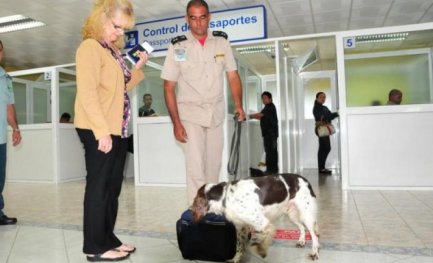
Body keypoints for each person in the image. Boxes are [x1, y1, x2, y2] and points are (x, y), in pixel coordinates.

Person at [74, 0, 147, 261]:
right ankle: (94, 247)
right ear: (101, 20)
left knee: (112, 188)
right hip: (97, 128)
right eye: (117, 26)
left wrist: (136, 70)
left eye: (123, 28)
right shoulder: (90, 48)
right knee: (99, 187)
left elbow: (118, 90)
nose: (120, 33)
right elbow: (88, 93)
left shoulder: (111, 51)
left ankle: (108, 238)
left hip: (116, 128)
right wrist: (101, 131)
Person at [161, 0, 245, 204]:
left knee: (213, 167)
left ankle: (212, 210)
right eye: (193, 18)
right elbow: (168, 87)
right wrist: (176, 123)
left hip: (215, 114)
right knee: (196, 168)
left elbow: (233, 76)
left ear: (209, 17)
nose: (198, 23)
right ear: (186, 19)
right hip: (190, 115)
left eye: (202, 17)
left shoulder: (221, 42)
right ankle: (197, 216)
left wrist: (239, 105)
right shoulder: (177, 46)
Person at [0, 40, 21, 226]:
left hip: (0, 138)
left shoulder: (5, 78)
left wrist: (15, 128)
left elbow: (9, 106)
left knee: (0, 177)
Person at [249, 91, 279, 174]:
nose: (263, 99)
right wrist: (252, 117)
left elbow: (260, 115)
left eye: (265, 98)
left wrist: (248, 116)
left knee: (271, 153)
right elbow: (262, 117)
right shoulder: (267, 108)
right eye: (262, 98)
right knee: (270, 152)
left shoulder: (270, 107)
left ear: (270, 99)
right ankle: (271, 170)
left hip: (271, 134)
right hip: (268, 134)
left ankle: (271, 171)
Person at [313, 92, 338, 175]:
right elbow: (327, 116)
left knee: (324, 148)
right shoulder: (316, 107)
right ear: (317, 98)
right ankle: (321, 168)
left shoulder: (324, 107)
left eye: (324, 97)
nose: (323, 99)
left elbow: (329, 115)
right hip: (321, 129)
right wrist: (336, 114)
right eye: (321, 97)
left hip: (324, 129)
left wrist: (334, 114)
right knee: (325, 148)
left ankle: (322, 168)